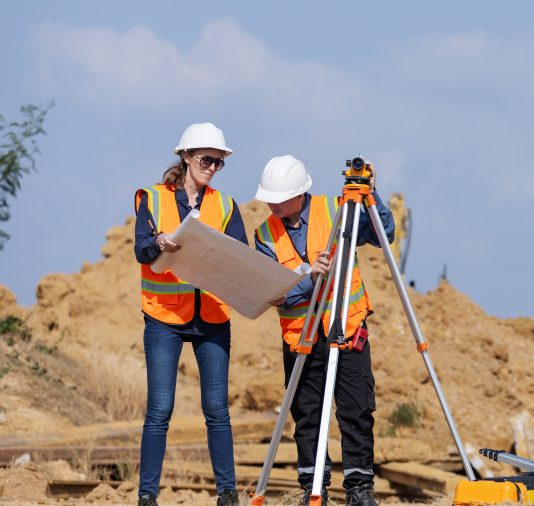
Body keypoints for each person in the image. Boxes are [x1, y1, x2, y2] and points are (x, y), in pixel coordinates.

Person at [252, 155, 394, 506]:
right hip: (301, 337)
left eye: (279, 197)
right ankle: (313, 486)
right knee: (308, 415)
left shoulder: (337, 209)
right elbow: (273, 294)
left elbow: (383, 234)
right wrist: (308, 277)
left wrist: (372, 195)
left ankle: (360, 488)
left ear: (300, 193)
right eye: (269, 197)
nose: (272, 204)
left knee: (356, 409)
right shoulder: (265, 234)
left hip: (346, 327)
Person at [133, 123, 244, 506]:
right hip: (164, 316)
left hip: (212, 318)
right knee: (160, 409)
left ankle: (227, 494)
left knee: (216, 409)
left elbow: (240, 257)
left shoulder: (226, 206)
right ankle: (147, 496)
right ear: (185, 156)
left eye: (218, 162)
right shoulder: (152, 197)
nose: (212, 167)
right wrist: (160, 241)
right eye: (205, 160)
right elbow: (142, 250)